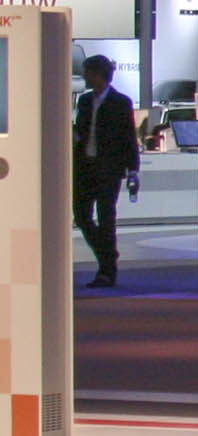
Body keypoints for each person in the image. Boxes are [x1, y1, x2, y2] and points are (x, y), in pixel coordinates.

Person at [72, 54, 140, 288]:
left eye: (88, 72)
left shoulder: (121, 102)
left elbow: (129, 138)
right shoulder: (84, 101)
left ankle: (107, 270)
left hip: (109, 169)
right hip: (84, 166)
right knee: (81, 216)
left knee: (106, 217)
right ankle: (108, 256)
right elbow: (80, 130)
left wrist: (133, 170)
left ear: (99, 74)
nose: (85, 77)